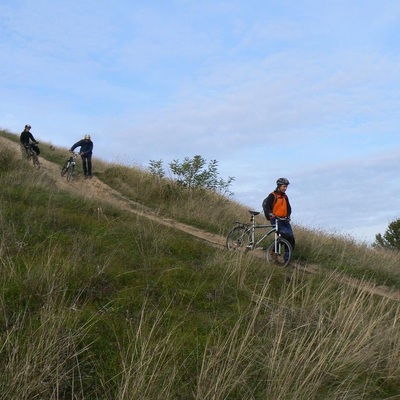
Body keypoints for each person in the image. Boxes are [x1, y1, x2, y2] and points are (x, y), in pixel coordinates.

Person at [262, 177, 295, 253]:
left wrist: (288, 216)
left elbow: (289, 208)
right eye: (284, 186)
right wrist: (270, 213)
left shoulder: (285, 197)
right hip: (275, 219)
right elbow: (267, 205)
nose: (285, 188)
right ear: (279, 186)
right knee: (284, 235)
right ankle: (274, 251)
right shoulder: (272, 195)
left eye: (286, 186)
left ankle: (287, 258)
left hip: (284, 220)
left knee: (291, 238)